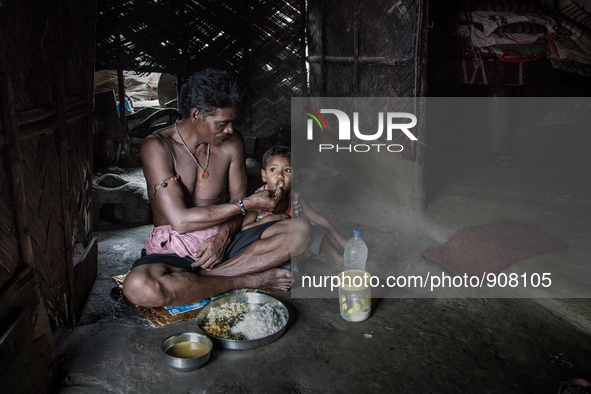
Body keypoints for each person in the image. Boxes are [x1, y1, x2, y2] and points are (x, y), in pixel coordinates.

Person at [122, 69, 313, 307]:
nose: (230, 130)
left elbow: (240, 201)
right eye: (223, 123)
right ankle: (246, 279)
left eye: (232, 122)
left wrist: (222, 237)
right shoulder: (157, 146)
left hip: (227, 240)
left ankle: (203, 280)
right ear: (196, 115)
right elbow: (181, 220)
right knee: (139, 287)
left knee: (301, 231)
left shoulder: (232, 143)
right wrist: (249, 204)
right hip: (175, 247)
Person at [241, 146, 349, 267]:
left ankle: (338, 258)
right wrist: (266, 221)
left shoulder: (295, 198)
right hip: (269, 246)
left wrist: (341, 239)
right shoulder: (259, 199)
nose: (280, 175)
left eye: (287, 170)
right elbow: (244, 230)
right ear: (264, 175)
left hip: (295, 240)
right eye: (273, 170)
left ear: (296, 176)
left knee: (314, 228)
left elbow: (318, 219)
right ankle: (295, 266)